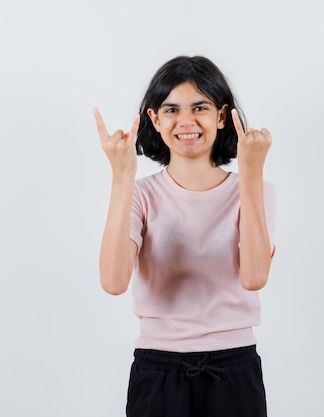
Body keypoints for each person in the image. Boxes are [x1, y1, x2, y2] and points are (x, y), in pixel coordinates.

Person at [94, 55, 277, 417]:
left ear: (222, 116)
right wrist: (122, 177)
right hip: (158, 369)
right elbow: (113, 282)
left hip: (234, 371)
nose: (186, 121)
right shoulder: (140, 195)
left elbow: (254, 278)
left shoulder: (257, 189)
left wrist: (251, 172)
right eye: (172, 109)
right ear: (155, 119)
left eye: (200, 107)